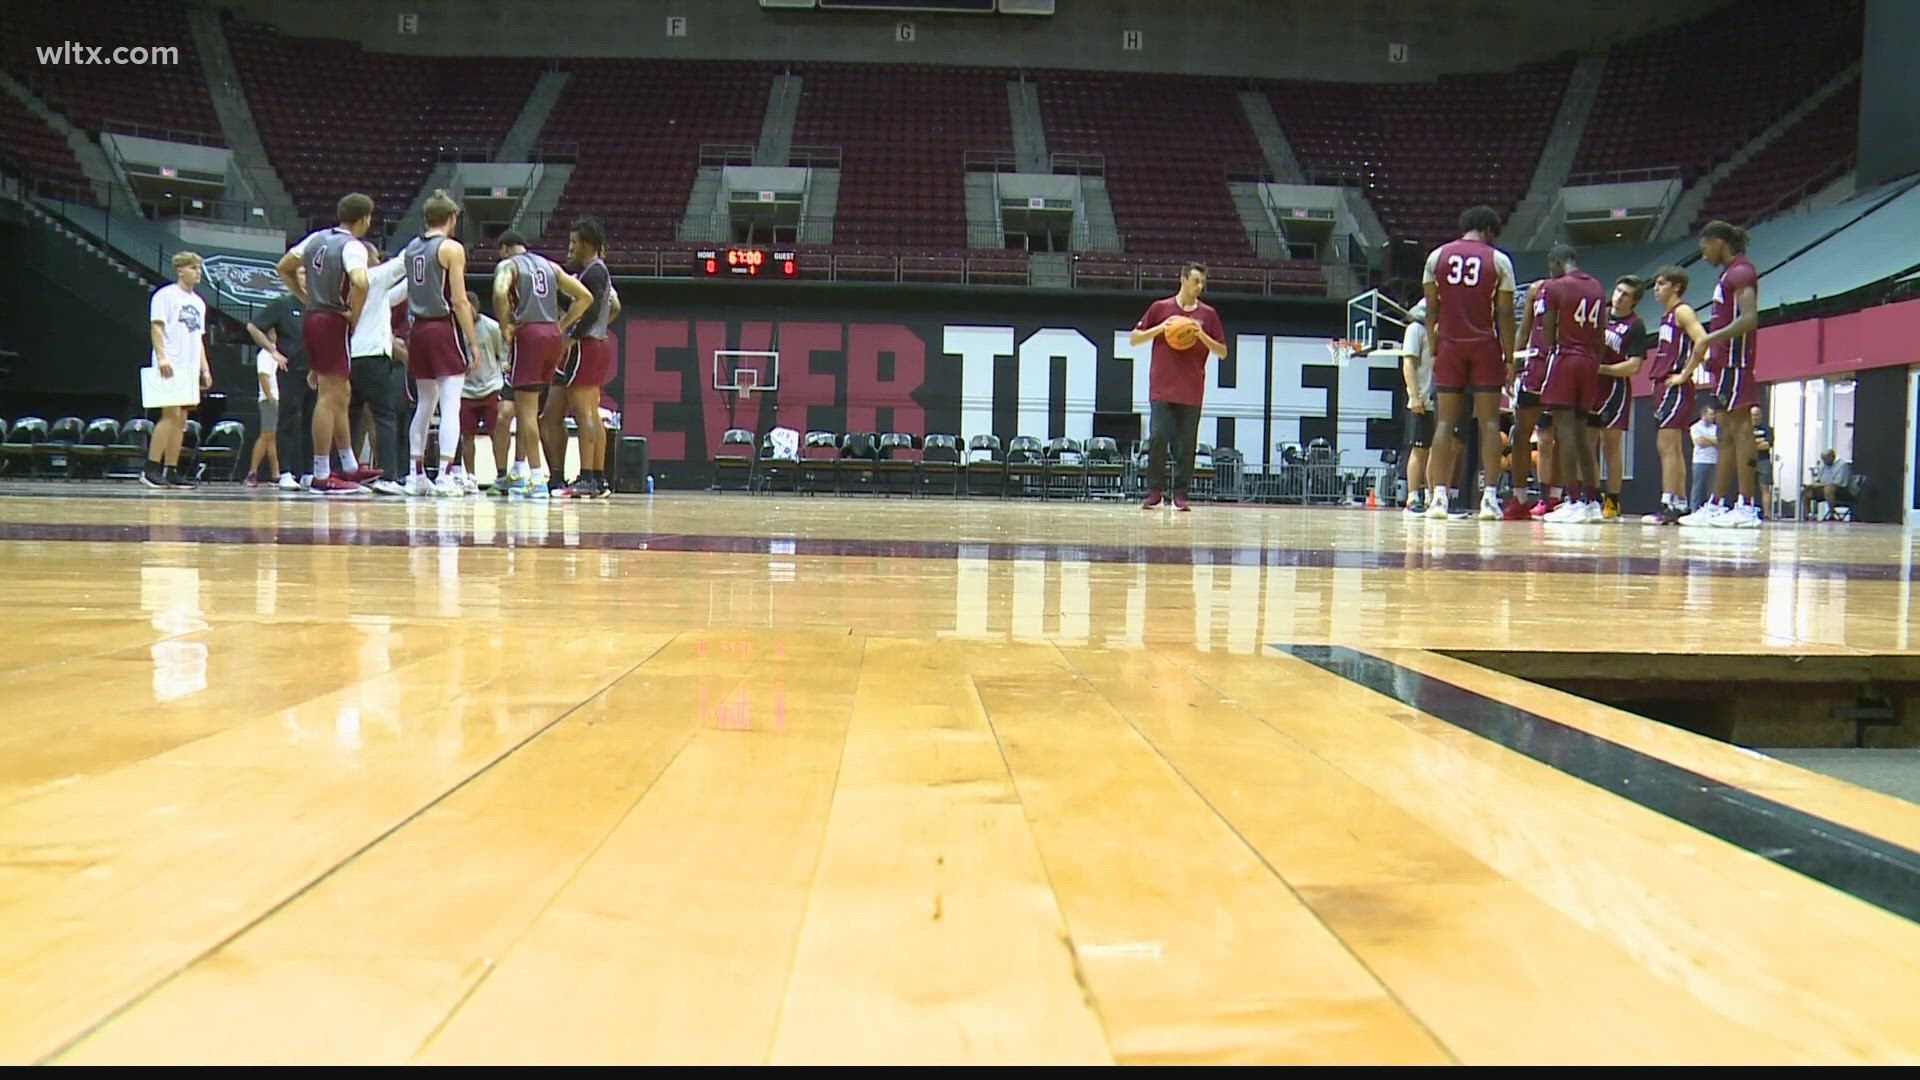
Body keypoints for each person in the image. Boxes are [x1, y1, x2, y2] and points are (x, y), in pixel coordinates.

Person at [279, 193, 381, 494]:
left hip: (313, 317)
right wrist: (354, 314)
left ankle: (348, 465)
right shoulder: (353, 246)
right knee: (328, 395)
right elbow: (361, 282)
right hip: (332, 319)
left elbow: (283, 266)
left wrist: (304, 297)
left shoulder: (315, 238)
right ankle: (321, 472)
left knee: (341, 392)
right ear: (364, 219)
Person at [1422, 206, 1517, 521]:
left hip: (1450, 344)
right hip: (1484, 346)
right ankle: (1489, 498)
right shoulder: (1499, 260)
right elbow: (1504, 314)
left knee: (1445, 423)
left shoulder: (1436, 257)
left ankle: (1438, 499)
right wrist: (1509, 356)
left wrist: (1435, 347)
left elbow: (1431, 310)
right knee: (1490, 422)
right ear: (1490, 230)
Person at [494, 229, 594, 498]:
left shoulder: (508, 265)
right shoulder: (549, 264)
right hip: (552, 336)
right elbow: (586, 297)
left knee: (525, 411)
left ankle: (536, 478)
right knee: (533, 410)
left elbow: (500, 292)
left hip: (529, 335)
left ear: (505, 249)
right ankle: (521, 472)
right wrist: (562, 325)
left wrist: (505, 326)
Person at [1129, 262, 1227, 512]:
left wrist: (1200, 335)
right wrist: (1162, 328)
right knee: (1158, 438)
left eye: (1203, 283)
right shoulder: (1160, 308)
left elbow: (1222, 352)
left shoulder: (1209, 314)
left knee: (1186, 445)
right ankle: (1154, 492)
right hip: (1162, 386)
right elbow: (1134, 338)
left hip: (1192, 388)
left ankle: (1181, 494)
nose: (1200, 287)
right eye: (1196, 281)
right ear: (1182, 279)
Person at [400, 190, 479, 497]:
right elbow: (459, 300)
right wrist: (472, 343)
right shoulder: (451, 248)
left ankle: (415, 474)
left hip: (417, 329)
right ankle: (446, 475)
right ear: (452, 218)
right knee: (450, 405)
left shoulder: (410, 248)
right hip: (442, 327)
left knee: (423, 404)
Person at [1688, 220, 1763, 527]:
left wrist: (1709, 338)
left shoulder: (1742, 271)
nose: (1702, 253)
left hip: (1736, 362)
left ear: (1718, 241)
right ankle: (1717, 503)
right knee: (1727, 435)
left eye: (1704, 245)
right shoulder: (1728, 274)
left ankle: (1747, 505)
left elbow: (1749, 319)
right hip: (1724, 364)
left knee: (1742, 431)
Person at [547, 218, 618, 499]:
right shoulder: (598, 273)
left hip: (587, 344)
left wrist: (570, 334)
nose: (571, 248)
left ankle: (589, 477)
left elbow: (589, 310)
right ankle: (597, 479)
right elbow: (613, 305)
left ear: (587, 244)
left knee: (585, 413)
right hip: (597, 342)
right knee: (586, 412)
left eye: (574, 243)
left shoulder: (594, 273)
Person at [1640, 266, 1713, 525]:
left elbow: (1703, 340)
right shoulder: (1666, 316)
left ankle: (1669, 502)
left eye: (1661, 284)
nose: (1656, 289)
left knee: (1667, 446)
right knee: (1672, 449)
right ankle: (1679, 502)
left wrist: (1685, 374)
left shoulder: (1682, 311)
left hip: (1676, 385)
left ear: (1676, 287)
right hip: (1664, 384)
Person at [141, 251, 211, 489]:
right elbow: (157, 327)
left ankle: (171, 469)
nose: (197, 273)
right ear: (180, 270)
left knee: (181, 420)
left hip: (189, 367)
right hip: (170, 364)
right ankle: (150, 468)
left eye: (199, 269)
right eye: (193, 268)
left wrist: (205, 369)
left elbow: (198, 338)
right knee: (169, 416)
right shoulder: (166, 295)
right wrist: (161, 357)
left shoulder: (199, 303)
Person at [345, 240, 409, 496]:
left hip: (350, 356)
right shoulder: (372, 277)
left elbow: (398, 294)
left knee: (351, 417)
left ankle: (345, 472)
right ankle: (389, 475)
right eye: (375, 256)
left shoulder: (351, 285)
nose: (379, 260)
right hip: (372, 357)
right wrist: (431, 240)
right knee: (385, 417)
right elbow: (404, 262)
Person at [1592, 275, 1651, 521]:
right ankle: (1590, 498)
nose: (1618, 296)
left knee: (1610, 447)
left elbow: (1634, 366)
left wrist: (1602, 369)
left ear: (1634, 301)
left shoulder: (1636, 325)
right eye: (1617, 291)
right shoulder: (1599, 315)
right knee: (1586, 445)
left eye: (1625, 294)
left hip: (1615, 389)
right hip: (1591, 386)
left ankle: (1613, 502)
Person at [246, 270, 307, 490]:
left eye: (309, 273)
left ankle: (310, 473)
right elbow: (253, 326)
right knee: (286, 422)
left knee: (312, 423)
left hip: (316, 373)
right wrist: (272, 350)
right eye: (301, 273)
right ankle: (285, 472)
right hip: (290, 371)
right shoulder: (283, 304)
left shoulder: (321, 305)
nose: (305, 278)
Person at [1509, 273, 1553, 516]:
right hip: (1533, 368)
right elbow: (1524, 329)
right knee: (1521, 434)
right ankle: (1520, 498)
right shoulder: (1536, 289)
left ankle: (1553, 498)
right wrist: (1513, 364)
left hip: (1559, 366)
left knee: (1552, 439)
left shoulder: (1573, 292)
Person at [458, 290, 510, 492]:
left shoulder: (491, 327)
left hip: (490, 387)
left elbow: (502, 354)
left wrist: (505, 363)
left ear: (475, 307)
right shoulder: (457, 329)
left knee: (496, 433)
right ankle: (470, 477)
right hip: (465, 390)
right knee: (467, 436)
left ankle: (501, 475)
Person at [1399, 299, 1434, 514]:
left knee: (1436, 450)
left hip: (1439, 398)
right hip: (1422, 398)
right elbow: (1408, 363)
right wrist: (1414, 395)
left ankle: (1432, 496)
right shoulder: (1415, 329)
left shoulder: (1440, 329)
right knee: (1419, 449)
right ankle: (1412, 498)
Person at [246, 343, 282, 486]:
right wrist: (270, 397)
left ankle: (276, 473)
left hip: (275, 398)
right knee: (266, 436)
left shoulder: (273, 352)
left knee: (271, 438)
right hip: (269, 400)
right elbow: (263, 375)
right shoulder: (265, 354)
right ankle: (252, 472)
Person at [1803, 449, 1853, 521]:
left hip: (1840, 490)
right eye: (1823, 459)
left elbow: (1838, 482)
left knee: (1829, 488)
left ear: (1832, 457)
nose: (1824, 461)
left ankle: (1832, 514)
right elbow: (1820, 479)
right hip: (1823, 487)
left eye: (1825, 459)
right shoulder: (1824, 465)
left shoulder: (1842, 465)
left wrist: (1819, 485)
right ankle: (1807, 515)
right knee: (1806, 490)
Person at [1689, 402, 1720, 511]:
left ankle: (1711, 509)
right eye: (1711, 414)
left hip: (1714, 461)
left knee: (1712, 488)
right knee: (1698, 487)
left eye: (1713, 414)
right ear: (1704, 415)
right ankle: (1694, 510)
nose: (1713, 417)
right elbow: (1700, 442)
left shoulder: (1716, 428)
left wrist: (1706, 438)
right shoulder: (1695, 427)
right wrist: (1713, 440)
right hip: (1700, 461)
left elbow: (1720, 442)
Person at [1750, 405, 1774, 517]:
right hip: (1749, 460)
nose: (1754, 417)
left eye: (1756, 415)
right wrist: (1758, 442)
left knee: (1765, 487)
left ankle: (1767, 514)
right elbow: (1744, 446)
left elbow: (1766, 445)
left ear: (1761, 415)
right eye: (1752, 415)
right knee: (1748, 488)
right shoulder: (1746, 429)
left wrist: (1753, 444)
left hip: (1763, 460)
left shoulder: (1768, 429)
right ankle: (1748, 512)